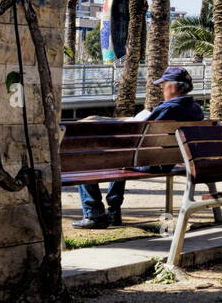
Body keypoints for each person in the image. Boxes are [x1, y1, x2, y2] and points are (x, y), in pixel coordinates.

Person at [72, 66, 205, 229]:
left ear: (172, 86)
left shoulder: (168, 108)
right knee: (121, 159)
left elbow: (138, 134)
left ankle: (94, 213)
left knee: (86, 163)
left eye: (163, 85)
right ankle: (113, 213)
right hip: (170, 161)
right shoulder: (196, 110)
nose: (162, 88)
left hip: (150, 162)